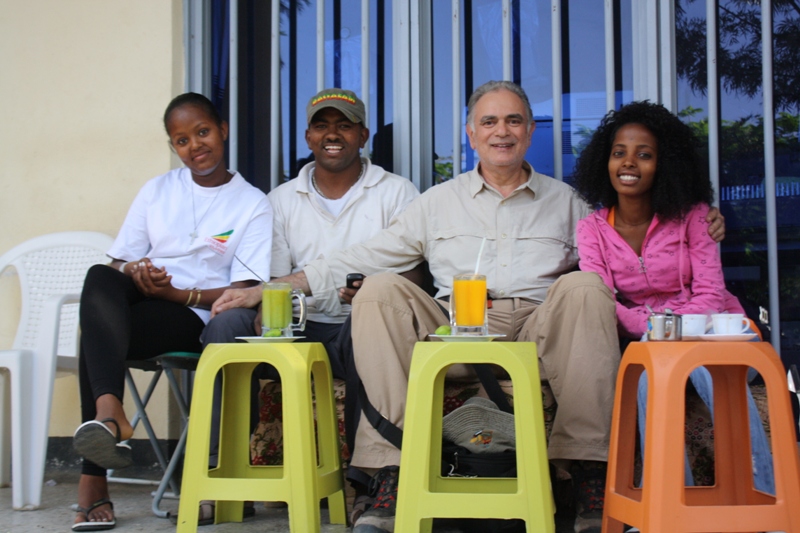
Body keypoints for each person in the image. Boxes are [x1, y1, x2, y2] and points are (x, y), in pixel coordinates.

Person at [211, 81, 726, 533]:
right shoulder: (437, 201)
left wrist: (697, 217)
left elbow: (630, 236)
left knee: (587, 288)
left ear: (528, 132)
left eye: (513, 120)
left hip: (535, 329)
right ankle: (391, 471)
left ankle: (588, 472)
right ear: (470, 133)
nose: (501, 131)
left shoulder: (568, 202)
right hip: (454, 330)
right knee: (379, 290)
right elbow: (364, 255)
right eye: (489, 121)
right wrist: (281, 284)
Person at [70, 93, 272, 531]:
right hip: (143, 300)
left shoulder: (252, 203)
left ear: (222, 129)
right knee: (99, 279)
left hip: (191, 315)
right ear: (173, 146)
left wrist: (179, 293)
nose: (194, 146)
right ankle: (110, 412)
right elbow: (117, 264)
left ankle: (93, 478)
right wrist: (138, 271)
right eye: (181, 140)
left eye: (201, 132)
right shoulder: (157, 190)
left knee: (94, 336)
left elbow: (242, 290)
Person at [572, 100, 774, 493]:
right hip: (652, 342)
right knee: (652, 374)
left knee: (696, 365)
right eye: (619, 153)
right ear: (605, 162)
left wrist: (668, 330)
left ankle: (763, 495)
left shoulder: (695, 216)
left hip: (720, 333)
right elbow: (601, 301)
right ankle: (666, 505)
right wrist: (656, 331)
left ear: (664, 165)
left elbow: (712, 294)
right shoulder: (591, 229)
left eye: (644, 155)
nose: (629, 163)